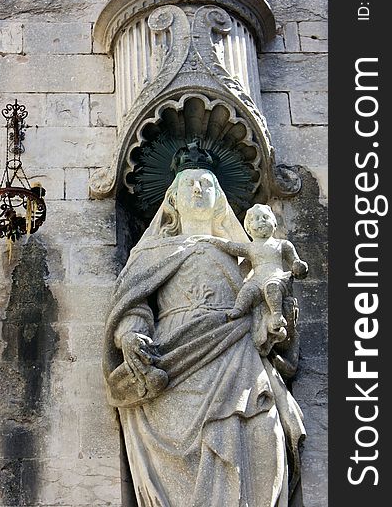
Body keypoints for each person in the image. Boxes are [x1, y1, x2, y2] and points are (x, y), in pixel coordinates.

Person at [103, 166, 305, 507]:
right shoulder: (150, 254)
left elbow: (263, 303)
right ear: (173, 200)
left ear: (219, 199)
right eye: (189, 184)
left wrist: (278, 322)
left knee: (264, 432)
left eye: (207, 183)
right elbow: (133, 304)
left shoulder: (242, 253)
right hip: (174, 359)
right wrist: (129, 336)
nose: (198, 189)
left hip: (235, 349)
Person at [192, 203, 308, 350]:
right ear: (248, 228)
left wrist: (300, 267)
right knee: (248, 289)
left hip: (278, 278)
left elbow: (295, 262)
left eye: (265, 217)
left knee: (271, 287)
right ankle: (238, 310)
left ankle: (277, 315)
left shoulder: (282, 244)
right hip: (258, 279)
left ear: (274, 222)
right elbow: (230, 246)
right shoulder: (250, 247)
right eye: (256, 219)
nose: (261, 221)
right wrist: (213, 240)